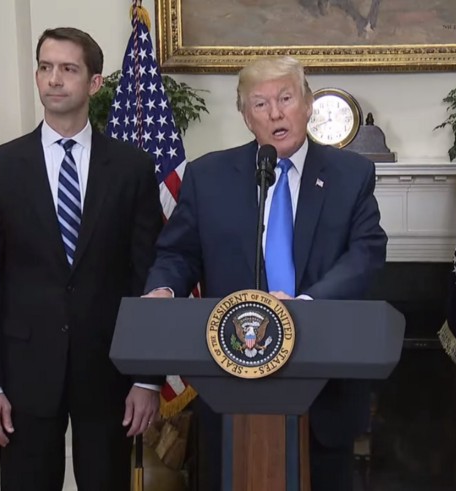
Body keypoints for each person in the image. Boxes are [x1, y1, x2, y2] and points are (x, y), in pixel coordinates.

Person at [143, 55, 387, 490]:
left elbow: (365, 253)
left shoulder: (352, 175)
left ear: (308, 104)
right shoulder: (208, 176)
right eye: (260, 104)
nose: (275, 113)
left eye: (286, 98)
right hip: (230, 385)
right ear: (244, 116)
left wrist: (307, 307)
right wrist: (163, 288)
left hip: (324, 387)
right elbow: (178, 254)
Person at [0, 27, 164, 490]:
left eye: (68, 69)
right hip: (24, 377)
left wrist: (148, 379)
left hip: (110, 374)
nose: (54, 79)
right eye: (45, 68)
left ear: (94, 83)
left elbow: (147, 278)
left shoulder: (133, 169)